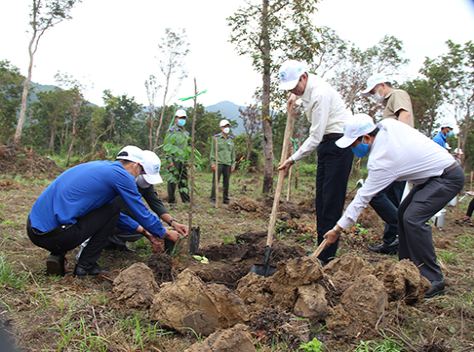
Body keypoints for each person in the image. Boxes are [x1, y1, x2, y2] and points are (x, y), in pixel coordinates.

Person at [323, 114, 464, 298]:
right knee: (403, 214)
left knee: (413, 218)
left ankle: (434, 279)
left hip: (447, 177)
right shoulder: (386, 125)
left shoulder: (382, 159)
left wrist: (337, 229)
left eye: (353, 144)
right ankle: (407, 269)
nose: (352, 148)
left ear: (366, 138)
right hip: (431, 178)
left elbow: (362, 198)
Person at [27, 145, 183, 277]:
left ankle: (58, 254)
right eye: (142, 172)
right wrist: (165, 233)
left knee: (105, 210)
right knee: (112, 210)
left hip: (36, 229)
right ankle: (85, 265)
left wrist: (146, 232)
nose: (140, 177)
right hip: (55, 235)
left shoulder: (101, 168)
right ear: (136, 165)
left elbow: (109, 214)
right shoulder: (122, 176)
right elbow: (140, 211)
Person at [278, 60, 353, 264]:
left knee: (331, 203)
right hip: (327, 147)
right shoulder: (307, 90)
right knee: (321, 201)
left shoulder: (320, 93)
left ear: (304, 76)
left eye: (295, 85)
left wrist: (291, 159)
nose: (293, 90)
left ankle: (326, 257)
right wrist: (294, 98)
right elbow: (301, 95)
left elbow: (316, 136)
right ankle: (321, 249)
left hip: (339, 144)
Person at [361, 73, 415, 255]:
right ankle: (391, 241)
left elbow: (405, 116)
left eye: (373, 91)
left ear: (382, 85)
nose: (373, 95)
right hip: (397, 154)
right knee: (392, 198)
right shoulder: (388, 103)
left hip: (397, 154)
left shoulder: (397, 94)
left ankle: (403, 231)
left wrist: (395, 146)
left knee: (377, 193)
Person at [108, 149, 188, 253]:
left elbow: (155, 203)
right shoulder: (122, 183)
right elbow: (137, 212)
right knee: (145, 223)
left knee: (150, 222)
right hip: (112, 216)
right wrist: (155, 233)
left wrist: (173, 223)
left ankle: (116, 242)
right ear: (137, 167)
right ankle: (107, 241)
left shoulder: (145, 184)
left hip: (121, 216)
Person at [166, 109, 190, 204]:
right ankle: (171, 201)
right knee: (172, 181)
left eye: (184, 118)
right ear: (176, 119)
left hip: (183, 160)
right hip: (174, 159)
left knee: (183, 180)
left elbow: (187, 147)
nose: (182, 120)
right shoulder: (171, 131)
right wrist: (169, 161)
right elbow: (167, 147)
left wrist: (187, 160)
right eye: (181, 118)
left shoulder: (186, 133)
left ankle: (186, 200)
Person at [210, 119, 236, 204]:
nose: (226, 128)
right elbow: (212, 151)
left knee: (226, 182)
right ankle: (213, 198)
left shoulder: (231, 140)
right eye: (225, 126)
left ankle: (225, 199)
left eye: (228, 126)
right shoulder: (216, 138)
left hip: (228, 163)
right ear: (221, 128)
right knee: (215, 181)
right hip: (219, 163)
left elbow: (232, 153)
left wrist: (233, 164)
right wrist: (212, 163)